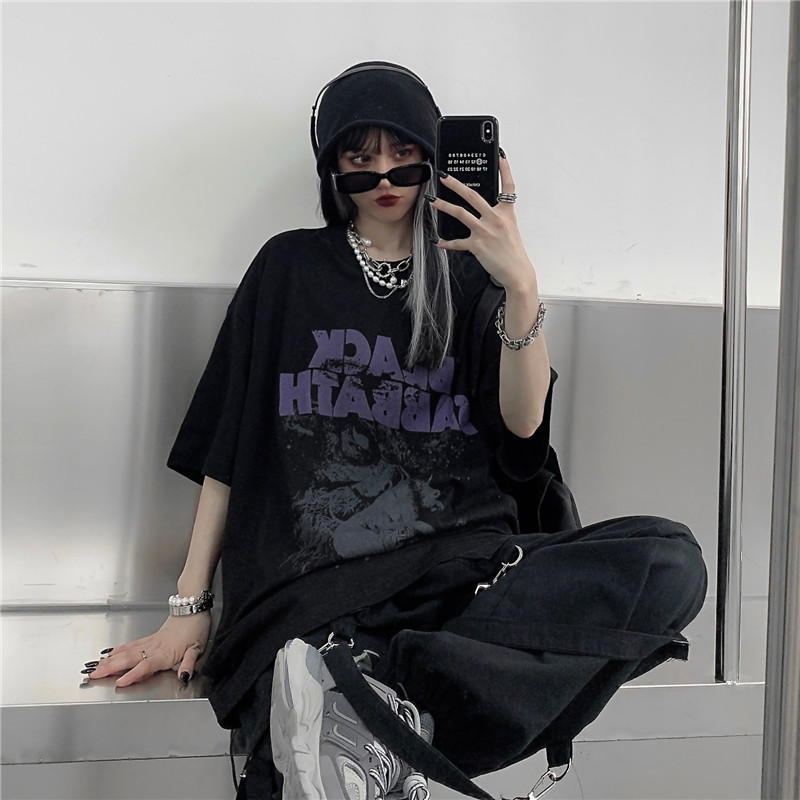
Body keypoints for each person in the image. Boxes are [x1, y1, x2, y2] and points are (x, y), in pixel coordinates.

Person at [85, 62, 707, 800]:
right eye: (360, 159)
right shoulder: (288, 267)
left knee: (670, 562)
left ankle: (371, 719)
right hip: (319, 589)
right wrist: (190, 610)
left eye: (403, 155)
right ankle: (366, 709)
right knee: (308, 674)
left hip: (462, 581)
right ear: (332, 170)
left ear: (431, 158)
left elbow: (524, 429)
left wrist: (520, 284)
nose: (383, 176)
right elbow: (229, 451)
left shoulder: (469, 276)